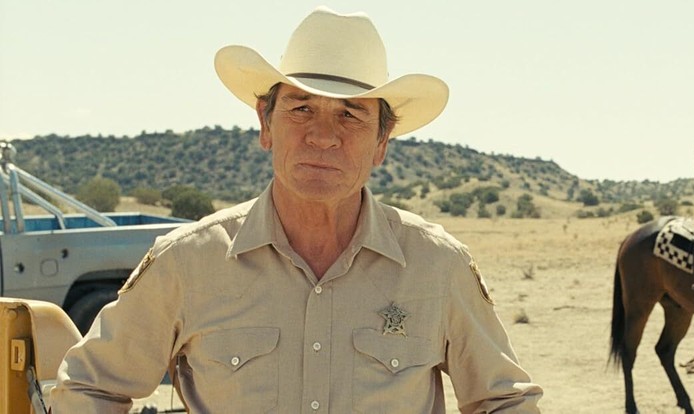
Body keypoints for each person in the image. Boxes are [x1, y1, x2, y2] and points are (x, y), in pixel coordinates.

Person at [50, 7, 542, 413]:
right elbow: (90, 387)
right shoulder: (188, 261)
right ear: (266, 126)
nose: (323, 136)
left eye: (350, 114)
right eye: (301, 108)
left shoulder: (437, 264)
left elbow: (504, 402)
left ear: (381, 142)